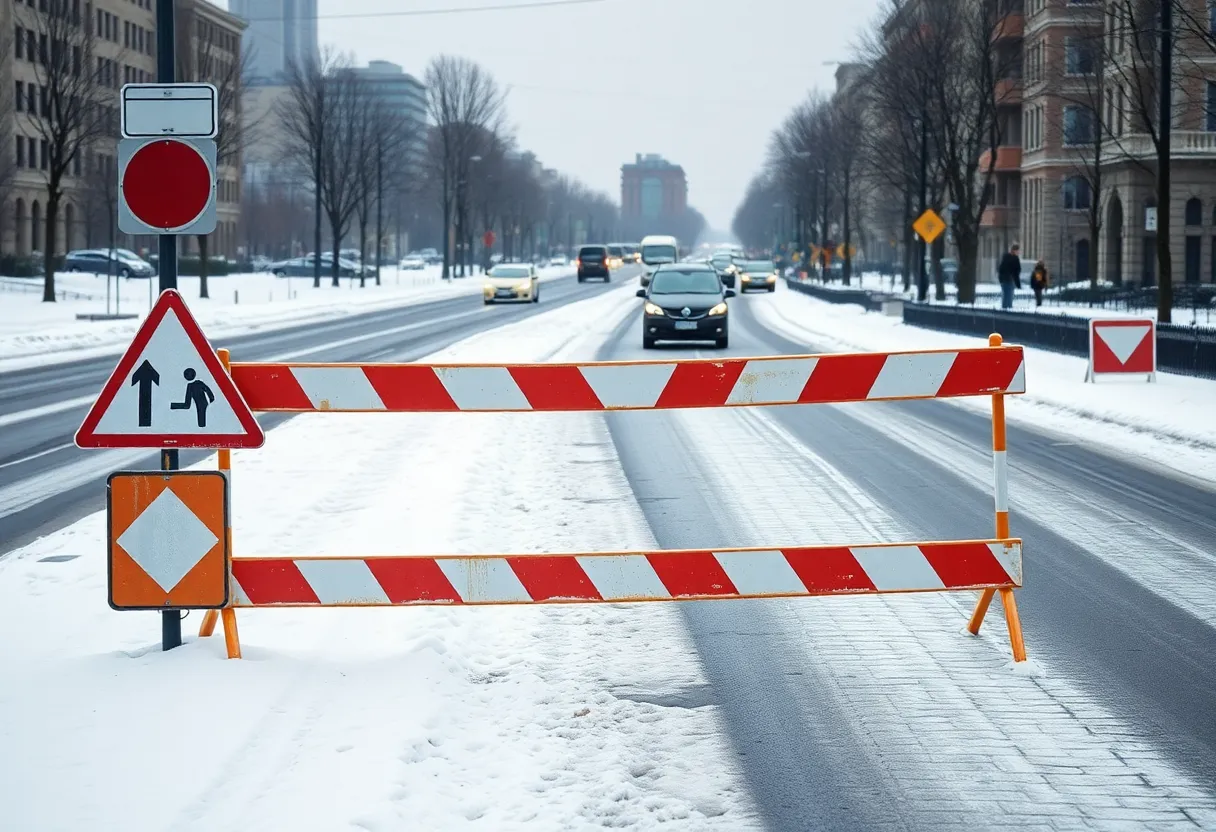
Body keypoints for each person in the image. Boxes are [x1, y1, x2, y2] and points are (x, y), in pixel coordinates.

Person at [997, 243, 1022, 309]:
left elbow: (1000, 269)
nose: (1019, 252)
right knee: (1008, 298)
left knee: (1005, 297)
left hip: (1004, 280)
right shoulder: (1015, 259)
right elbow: (1016, 272)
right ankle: (1007, 312)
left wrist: (1001, 279)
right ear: (1014, 250)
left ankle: (1004, 311)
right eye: (1018, 251)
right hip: (1009, 280)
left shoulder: (1005, 257)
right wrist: (1018, 284)